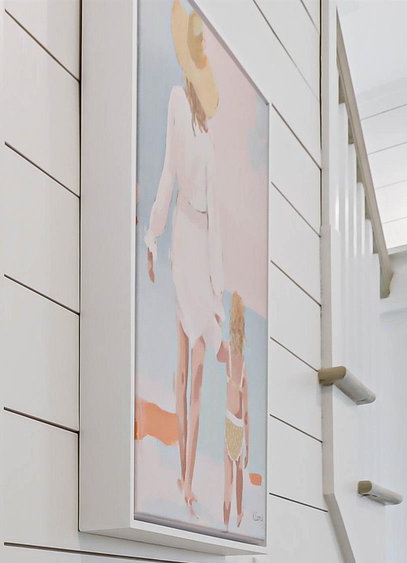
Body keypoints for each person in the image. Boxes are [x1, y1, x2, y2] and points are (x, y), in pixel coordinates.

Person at [144, 0, 225, 520]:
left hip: (202, 242)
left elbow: (215, 218)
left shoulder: (211, 136)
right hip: (181, 242)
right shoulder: (176, 101)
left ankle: (190, 479)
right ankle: (183, 477)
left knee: (199, 373)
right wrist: (152, 235)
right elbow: (168, 174)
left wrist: (216, 293)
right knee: (181, 365)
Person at [221, 291, 249, 529]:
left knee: (229, 475)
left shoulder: (229, 351)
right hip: (236, 421)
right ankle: (234, 518)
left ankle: (229, 522)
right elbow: (247, 410)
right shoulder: (239, 359)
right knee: (235, 473)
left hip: (233, 421)